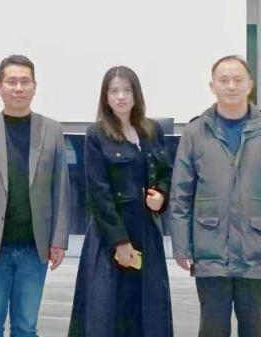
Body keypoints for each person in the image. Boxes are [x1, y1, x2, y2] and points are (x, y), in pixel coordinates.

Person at [169, 54, 261, 337]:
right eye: (224, 80)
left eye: (238, 80)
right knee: (212, 329)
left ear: (250, 85)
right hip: (210, 249)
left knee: (255, 328)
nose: (231, 86)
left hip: (258, 249)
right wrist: (181, 245)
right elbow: (180, 193)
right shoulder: (195, 132)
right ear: (212, 86)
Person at [0, 54, 70, 337]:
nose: (18, 88)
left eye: (25, 81)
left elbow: (61, 190)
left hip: (35, 247)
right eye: (11, 82)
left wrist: (59, 239)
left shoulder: (51, 130)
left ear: (34, 86)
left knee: (26, 327)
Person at [68, 66, 174, 337]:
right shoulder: (96, 134)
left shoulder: (152, 131)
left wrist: (161, 196)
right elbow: (98, 193)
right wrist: (120, 242)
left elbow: (165, 172)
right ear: (105, 97)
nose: (121, 97)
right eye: (114, 91)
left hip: (147, 233)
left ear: (136, 95)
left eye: (127, 90)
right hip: (110, 236)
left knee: (148, 311)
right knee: (107, 313)